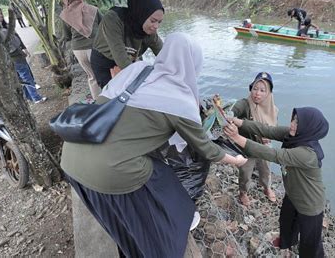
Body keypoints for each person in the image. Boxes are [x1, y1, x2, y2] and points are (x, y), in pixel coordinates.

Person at [60, 32, 247, 257]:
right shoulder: (180, 99)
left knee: (127, 219)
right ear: (192, 64)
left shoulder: (136, 70)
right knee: (165, 183)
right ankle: (167, 236)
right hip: (109, 170)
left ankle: (131, 242)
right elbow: (205, 148)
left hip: (72, 155)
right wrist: (236, 160)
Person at [224, 107, 329, 258]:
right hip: (293, 192)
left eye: (298, 122)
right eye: (293, 119)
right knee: (286, 221)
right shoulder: (294, 135)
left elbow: (274, 154)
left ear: (309, 127)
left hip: (310, 202)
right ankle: (287, 242)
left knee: (310, 242)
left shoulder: (308, 153)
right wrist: (238, 122)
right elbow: (266, 129)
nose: (292, 124)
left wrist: (237, 138)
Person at [91, 0, 164, 88]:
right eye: (153, 21)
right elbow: (122, 61)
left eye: (159, 22)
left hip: (129, 59)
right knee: (113, 96)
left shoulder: (150, 30)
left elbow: (164, 54)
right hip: (106, 61)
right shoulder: (113, 19)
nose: (156, 26)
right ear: (141, 14)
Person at [231, 72, 278, 207]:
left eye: (263, 90)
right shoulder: (245, 104)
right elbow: (233, 111)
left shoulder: (273, 109)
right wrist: (228, 113)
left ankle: (266, 187)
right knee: (245, 172)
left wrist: (268, 138)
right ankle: (243, 192)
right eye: (255, 89)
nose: (257, 93)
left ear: (269, 93)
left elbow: (274, 129)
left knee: (266, 169)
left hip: (264, 146)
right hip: (247, 146)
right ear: (251, 88)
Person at [0, 7, 46, 103]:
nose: (0, 15)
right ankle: (36, 97)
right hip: (13, 56)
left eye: (1, 13)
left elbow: (17, 37)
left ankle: (30, 96)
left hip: (18, 53)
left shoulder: (6, 26)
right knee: (25, 76)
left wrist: (23, 47)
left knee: (25, 76)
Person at [60, 0, 102, 99]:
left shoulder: (65, 15)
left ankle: (98, 103)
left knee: (92, 76)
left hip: (78, 50)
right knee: (103, 73)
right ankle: (109, 99)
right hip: (95, 47)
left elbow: (67, 36)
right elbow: (104, 26)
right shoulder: (93, 9)